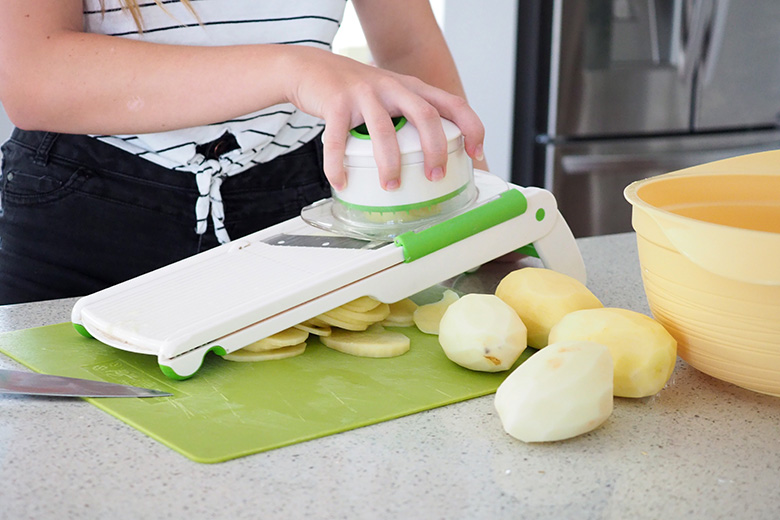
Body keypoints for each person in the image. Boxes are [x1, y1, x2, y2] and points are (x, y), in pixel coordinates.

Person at [0, 0, 486, 304]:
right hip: (82, 213)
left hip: (296, 202)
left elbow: (407, 47)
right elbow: (34, 77)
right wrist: (292, 70)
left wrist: (476, 206)